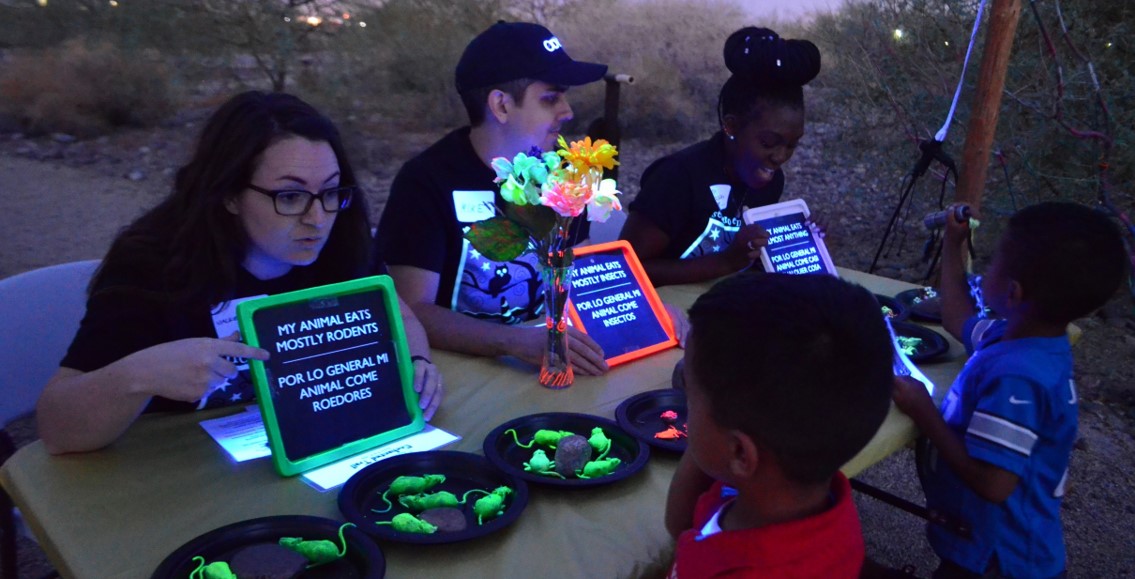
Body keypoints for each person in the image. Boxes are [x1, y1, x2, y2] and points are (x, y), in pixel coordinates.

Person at [37, 91, 443, 455]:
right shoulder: (152, 265)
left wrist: (417, 361)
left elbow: (397, 314)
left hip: (311, 455)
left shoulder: (343, 242)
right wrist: (138, 375)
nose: (317, 218)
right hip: (176, 476)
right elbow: (56, 427)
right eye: (290, 195)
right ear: (229, 194)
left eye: (332, 191)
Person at [892, 202, 1127, 578]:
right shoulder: (1020, 337)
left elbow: (994, 483)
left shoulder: (1018, 377)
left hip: (1000, 561)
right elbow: (956, 317)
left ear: (1013, 292)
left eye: (994, 261)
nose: (986, 268)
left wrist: (924, 412)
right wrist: (954, 246)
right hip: (985, 546)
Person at [372, 21, 613, 374]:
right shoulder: (426, 181)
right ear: (500, 105)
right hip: (460, 377)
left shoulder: (565, 171)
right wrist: (514, 341)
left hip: (556, 363)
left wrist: (643, 311)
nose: (567, 111)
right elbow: (412, 308)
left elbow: (588, 272)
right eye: (550, 98)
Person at [665, 273, 893, 577]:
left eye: (689, 397)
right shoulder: (801, 497)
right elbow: (682, 525)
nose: (686, 402)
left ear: (740, 453)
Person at [620, 27, 822, 287]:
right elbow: (624, 270)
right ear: (731, 126)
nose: (781, 157)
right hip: (665, 314)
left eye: (793, 145)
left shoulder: (770, 181)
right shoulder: (678, 177)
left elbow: (751, 257)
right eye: (768, 142)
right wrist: (726, 262)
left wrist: (801, 243)